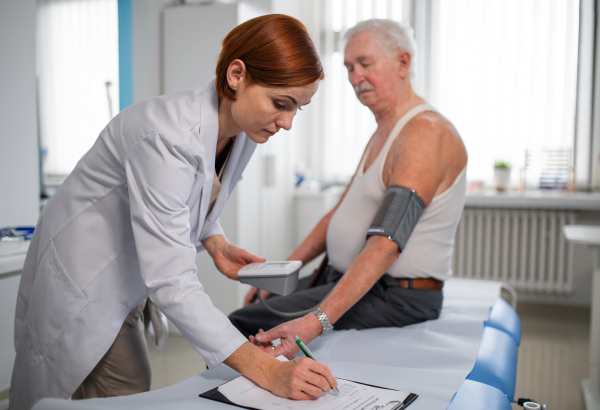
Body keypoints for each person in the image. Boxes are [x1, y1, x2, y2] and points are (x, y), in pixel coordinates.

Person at [11, 14, 337, 410]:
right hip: (86, 282)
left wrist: (215, 241)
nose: (286, 122)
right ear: (237, 74)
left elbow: (193, 198)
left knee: (130, 384)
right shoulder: (165, 135)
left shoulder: (243, 130)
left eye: (297, 109)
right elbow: (171, 279)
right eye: (280, 104)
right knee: (123, 388)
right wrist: (267, 371)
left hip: (129, 273)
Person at [228, 19, 468, 359]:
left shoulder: (424, 132)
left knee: (242, 323)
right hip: (351, 280)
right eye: (349, 67)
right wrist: (282, 275)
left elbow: (386, 243)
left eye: (365, 64)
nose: (355, 78)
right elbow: (335, 217)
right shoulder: (385, 133)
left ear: (403, 63)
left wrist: (315, 323)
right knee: (252, 312)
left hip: (396, 296)